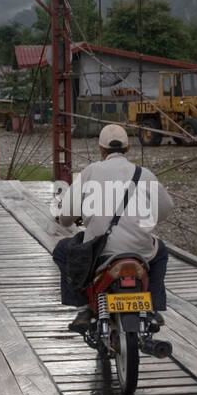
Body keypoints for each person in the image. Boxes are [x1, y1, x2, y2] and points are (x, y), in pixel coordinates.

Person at [52, 123, 173, 334]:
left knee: (62, 250)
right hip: (140, 252)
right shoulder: (144, 174)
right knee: (161, 251)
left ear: (101, 149)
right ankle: (152, 306)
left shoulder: (90, 172)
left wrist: (71, 217)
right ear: (127, 149)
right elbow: (165, 210)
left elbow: (66, 219)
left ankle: (83, 309)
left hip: (99, 253)